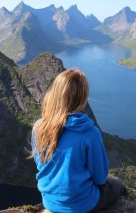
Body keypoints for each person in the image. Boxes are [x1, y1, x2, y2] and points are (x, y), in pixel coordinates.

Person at [31, 69, 127, 213]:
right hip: (81, 204)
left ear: (55, 94)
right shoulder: (89, 133)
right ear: (82, 98)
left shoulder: (39, 127)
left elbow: (41, 165)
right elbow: (100, 178)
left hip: (50, 202)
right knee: (118, 186)